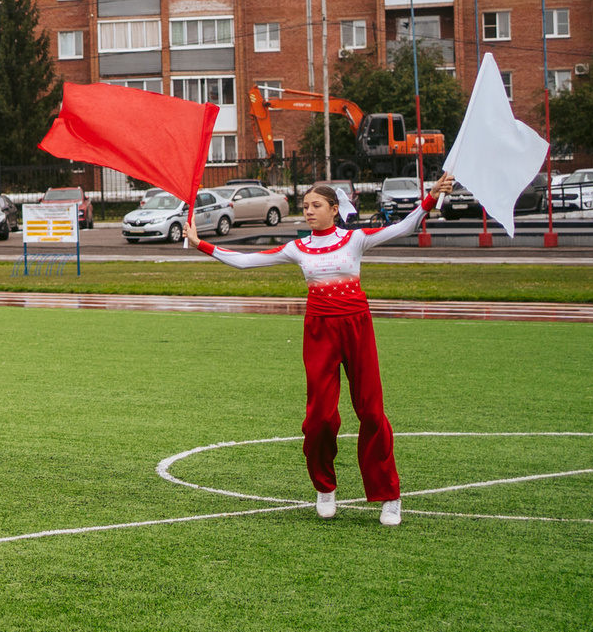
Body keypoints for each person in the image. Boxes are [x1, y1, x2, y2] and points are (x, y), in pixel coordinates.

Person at [185, 175, 456, 526]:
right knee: (320, 419)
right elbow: (245, 261)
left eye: (316, 206)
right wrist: (201, 244)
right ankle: (325, 488)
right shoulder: (297, 248)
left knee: (371, 413)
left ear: (334, 209)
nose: (308, 211)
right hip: (319, 331)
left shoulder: (355, 239)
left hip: (357, 326)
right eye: (305, 207)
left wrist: (430, 197)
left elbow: (404, 227)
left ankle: (389, 495)